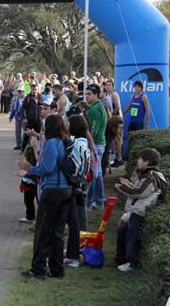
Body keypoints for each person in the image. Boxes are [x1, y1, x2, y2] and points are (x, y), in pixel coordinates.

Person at [17, 114, 73, 279]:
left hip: (52, 190)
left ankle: (38, 268)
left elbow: (47, 168)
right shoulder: (65, 142)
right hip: (66, 190)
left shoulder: (52, 144)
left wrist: (30, 169)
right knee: (57, 232)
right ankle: (57, 270)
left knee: (42, 231)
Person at [114, 148, 167, 272]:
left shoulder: (150, 177)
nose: (138, 161)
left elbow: (139, 192)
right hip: (138, 210)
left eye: (140, 159)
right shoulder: (150, 175)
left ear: (147, 162)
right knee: (128, 234)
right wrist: (127, 184)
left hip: (140, 212)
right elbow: (140, 189)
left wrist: (122, 188)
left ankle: (132, 264)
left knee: (132, 238)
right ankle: (126, 259)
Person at [63, 115, 92, 268]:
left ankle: (74, 255)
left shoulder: (75, 145)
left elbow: (73, 166)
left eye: (68, 123)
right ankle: (74, 252)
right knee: (77, 220)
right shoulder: (84, 143)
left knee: (74, 221)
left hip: (75, 184)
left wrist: (61, 164)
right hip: (81, 182)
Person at [85, 84, 107, 210]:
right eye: (86, 94)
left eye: (89, 94)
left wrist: (89, 144)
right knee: (97, 174)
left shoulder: (94, 109)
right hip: (98, 143)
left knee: (93, 175)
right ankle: (99, 201)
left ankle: (91, 202)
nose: (86, 96)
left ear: (96, 94)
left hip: (95, 145)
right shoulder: (97, 107)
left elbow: (93, 130)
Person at [19, 146, 37, 224]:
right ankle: (30, 216)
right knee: (30, 201)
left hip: (29, 186)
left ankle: (30, 216)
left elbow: (25, 177)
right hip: (33, 185)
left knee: (28, 201)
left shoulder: (27, 165)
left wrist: (22, 186)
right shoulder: (35, 164)